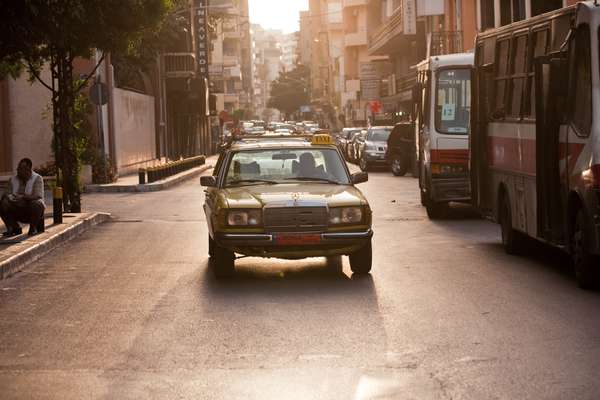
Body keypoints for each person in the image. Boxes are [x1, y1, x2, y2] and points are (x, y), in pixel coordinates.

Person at [1, 158, 45, 236]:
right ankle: (13, 228)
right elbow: (6, 193)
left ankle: (33, 228)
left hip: (30, 208)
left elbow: (38, 195)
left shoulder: (37, 178)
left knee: (36, 204)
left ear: (28, 169)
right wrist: (9, 197)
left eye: (20, 168)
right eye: (18, 168)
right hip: (16, 206)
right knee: (2, 203)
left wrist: (23, 197)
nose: (18, 170)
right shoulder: (12, 179)